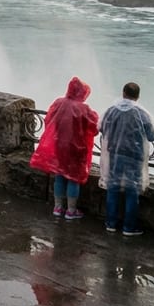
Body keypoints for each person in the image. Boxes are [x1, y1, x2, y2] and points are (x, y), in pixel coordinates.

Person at [29, 77, 99, 220]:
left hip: (59, 145)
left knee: (60, 175)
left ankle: (58, 207)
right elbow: (94, 127)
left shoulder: (59, 103)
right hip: (76, 148)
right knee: (73, 178)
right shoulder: (83, 108)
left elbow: (48, 119)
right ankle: (71, 210)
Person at [99, 82, 154, 235]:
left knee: (113, 187)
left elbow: (101, 127)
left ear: (123, 92)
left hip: (114, 155)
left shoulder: (111, 110)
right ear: (138, 96)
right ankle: (129, 227)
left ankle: (110, 223)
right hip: (135, 156)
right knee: (132, 190)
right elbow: (152, 135)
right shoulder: (141, 113)